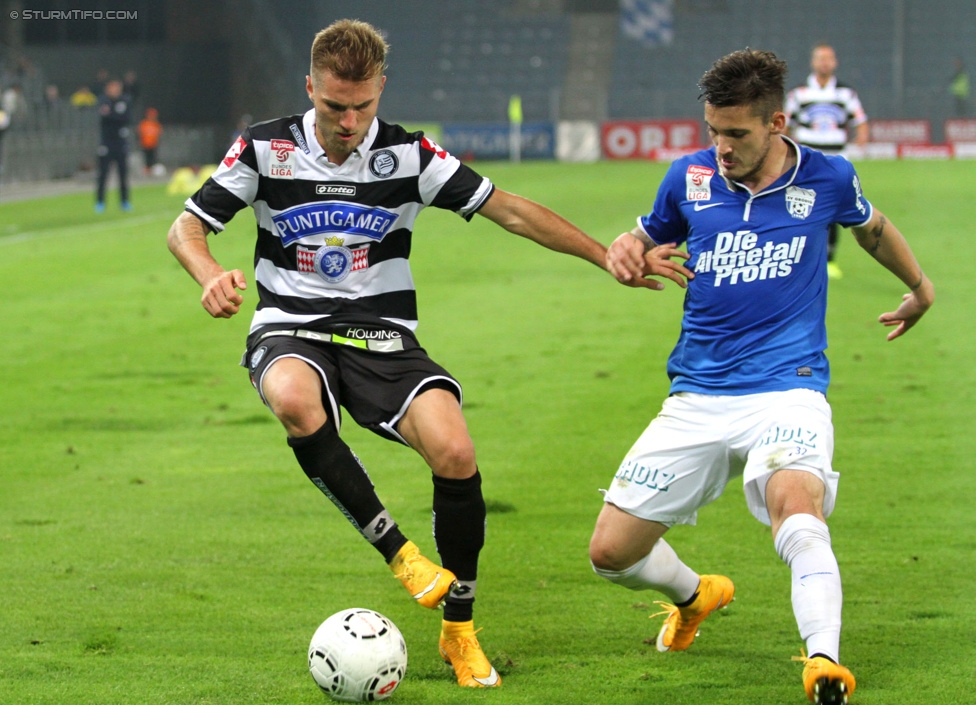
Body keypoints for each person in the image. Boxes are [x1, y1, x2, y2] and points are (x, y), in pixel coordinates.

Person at [166, 19, 609, 690]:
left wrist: (607, 256)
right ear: (309, 86)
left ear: (381, 89)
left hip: (382, 333)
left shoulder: (410, 155)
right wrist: (207, 274)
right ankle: (399, 552)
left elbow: (511, 212)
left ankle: (460, 629)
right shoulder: (265, 150)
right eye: (334, 106)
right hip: (292, 323)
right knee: (291, 395)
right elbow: (186, 226)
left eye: (363, 105)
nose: (349, 122)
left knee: (456, 451)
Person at [588, 48, 934, 705]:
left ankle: (824, 662)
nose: (721, 148)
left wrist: (918, 286)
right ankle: (695, 594)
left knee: (796, 510)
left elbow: (873, 228)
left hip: (789, 386)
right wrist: (624, 252)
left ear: (778, 122)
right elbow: (640, 237)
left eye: (737, 134)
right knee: (611, 553)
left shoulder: (827, 177)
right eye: (713, 131)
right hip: (696, 393)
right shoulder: (687, 177)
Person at [785, 44, 868, 280]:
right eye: (820, 58)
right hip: (807, 162)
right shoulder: (799, 94)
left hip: (835, 161)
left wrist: (861, 137)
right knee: (800, 206)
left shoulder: (845, 93)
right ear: (813, 62)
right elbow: (785, 125)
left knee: (832, 209)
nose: (824, 62)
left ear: (835, 63)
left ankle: (830, 260)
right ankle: (799, 257)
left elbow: (860, 120)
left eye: (828, 58)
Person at [95, 79, 132, 212]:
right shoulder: (103, 101)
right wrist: (115, 116)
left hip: (121, 143)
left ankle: (125, 202)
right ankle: (100, 202)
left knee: (123, 174)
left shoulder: (125, 101)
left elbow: (125, 118)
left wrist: (112, 115)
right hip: (106, 143)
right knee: (103, 174)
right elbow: (105, 117)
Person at [138, 107, 162, 173]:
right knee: (146, 158)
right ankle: (147, 170)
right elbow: (140, 133)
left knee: (153, 158)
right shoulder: (144, 123)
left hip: (153, 144)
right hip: (145, 144)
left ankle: (152, 170)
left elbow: (158, 134)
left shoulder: (156, 124)